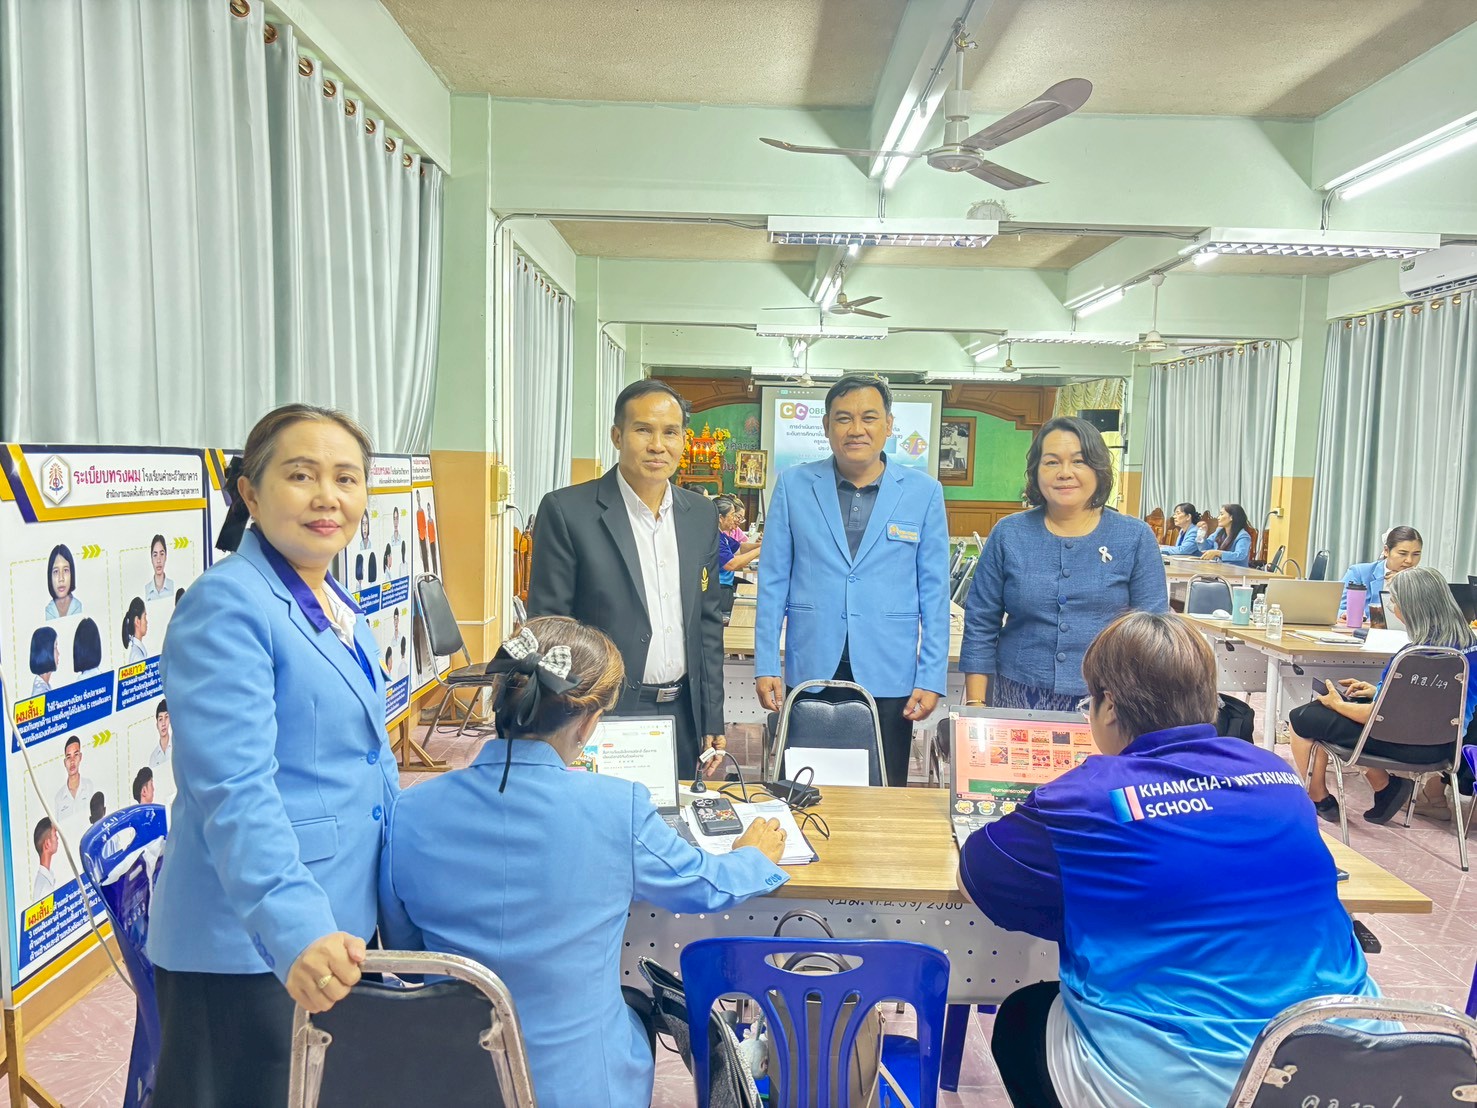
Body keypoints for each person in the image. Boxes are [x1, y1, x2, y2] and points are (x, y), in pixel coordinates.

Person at [960, 612, 1379, 1108]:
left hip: (1188, 1084)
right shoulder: (1276, 774)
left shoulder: (1084, 797)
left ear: (1108, 706)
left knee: (1022, 1017)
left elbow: (977, 874)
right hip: (1346, 1065)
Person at [378, 617, 788, 1108]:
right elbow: (705, 884)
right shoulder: (618, 807)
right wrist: (752, 856)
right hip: (583, 1087)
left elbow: (408, 955)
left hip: (451, 1080)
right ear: (589, 722)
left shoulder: (410, 810)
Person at [147, 403, 399, 1107]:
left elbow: (365, 763)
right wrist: (296, 929)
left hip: (336, 922)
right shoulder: (228, 605)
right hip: (251, 944)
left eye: (346, 478)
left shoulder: (332, 600)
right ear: (250, 494)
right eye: (301, 475)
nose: (327, 497)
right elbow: (235, 790)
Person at [755, 374, 950, 786]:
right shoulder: (793, 485)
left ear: (889, 425)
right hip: (811, 664)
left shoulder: (924, 492)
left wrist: (931, 676)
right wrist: (766, 663)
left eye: (869, 418)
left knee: (883, 790)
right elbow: (772, 582)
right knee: (804, 787)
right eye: (843, 418)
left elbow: (934, 594)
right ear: (827, 426)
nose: (856, 429)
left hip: (889, 669)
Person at [528, 379, 726, 772]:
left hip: (684, 715)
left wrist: (711, 716)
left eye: (670, 432)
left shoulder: (700, 515)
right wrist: (563, 723)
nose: (658, 445)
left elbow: (707, 622)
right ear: (617, 436)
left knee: (678, 810)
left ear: (683, 441)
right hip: (599, 713)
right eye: (643, 430)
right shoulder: (568, 511)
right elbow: (550, 629)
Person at [962, 416, 1168, 712]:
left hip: (1110, 699)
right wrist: (975, 704)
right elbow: (981, 621)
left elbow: (1152, 631)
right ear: (1036, 471)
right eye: (1051, 462)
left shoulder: (1134, 536)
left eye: (1079, 461)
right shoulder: (1009, 533)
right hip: (1017, 691)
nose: (1065, 473)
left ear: (1098, 468)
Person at [1291, 565, 1477, 825]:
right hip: (1446, 748)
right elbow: (1431, 699)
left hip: (1400, 746)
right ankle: (1386, 789)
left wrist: (1337, 704)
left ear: (1412, 608)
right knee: (1341, 707)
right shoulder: (1470, 649)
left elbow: (1374, 716)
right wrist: (1378, 690)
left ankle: (1319, 798)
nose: (1393, 608)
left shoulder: (1411, 656)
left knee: (1304, 717)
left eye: (1394, 602)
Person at [1337, 525, 1423, 625]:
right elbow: (1335, 607)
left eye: (1416, 554)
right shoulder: (1359, 573)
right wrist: (1344, 614)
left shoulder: (1423, 581)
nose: (1409, 560)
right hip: (1366, 632)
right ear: (1386, 551)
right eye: (1403, 553)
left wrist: (1402, 584)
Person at [714, 495, 760, 618]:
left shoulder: (722, 535)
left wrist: (762, 545)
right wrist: (760, 550)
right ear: (721, 518)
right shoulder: (714, 537)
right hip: (719, 588)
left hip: (725, 585)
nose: (735, 519)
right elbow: (731, 564)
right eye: (732, 515)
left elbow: (740, 548)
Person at [53, 735, 97, 845]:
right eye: (68, 757)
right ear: (65, 762)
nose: (72, 761)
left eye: (75, 755)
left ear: (80, 757)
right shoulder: (59, 797)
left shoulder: (89, 786)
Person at [44, 544, 82, 620]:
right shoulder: (48, 611)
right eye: (56, 571)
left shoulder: (79, 607)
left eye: (65, 570)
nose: (61, 578)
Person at [32, 819, 58, 901]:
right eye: (55, 835)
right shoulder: (43, 887)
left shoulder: (48, 876)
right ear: (47, 844)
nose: (57, 838)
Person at [29, 626, 59, 695]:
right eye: (55, 647)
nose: (58, 653)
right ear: (46, 652)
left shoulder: (44, 686)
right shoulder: (40, 692)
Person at [145, 534, 176, 600]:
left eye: (162, 554)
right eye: (155, 555)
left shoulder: (173, 586)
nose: (158, 560)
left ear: (166, 557)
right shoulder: (146, 590)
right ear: (151, 559)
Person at [120, 597, 149, 662]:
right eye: (144, 617)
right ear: (137, 621)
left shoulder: (137, 652)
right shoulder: (137, 656)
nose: (146, 622)